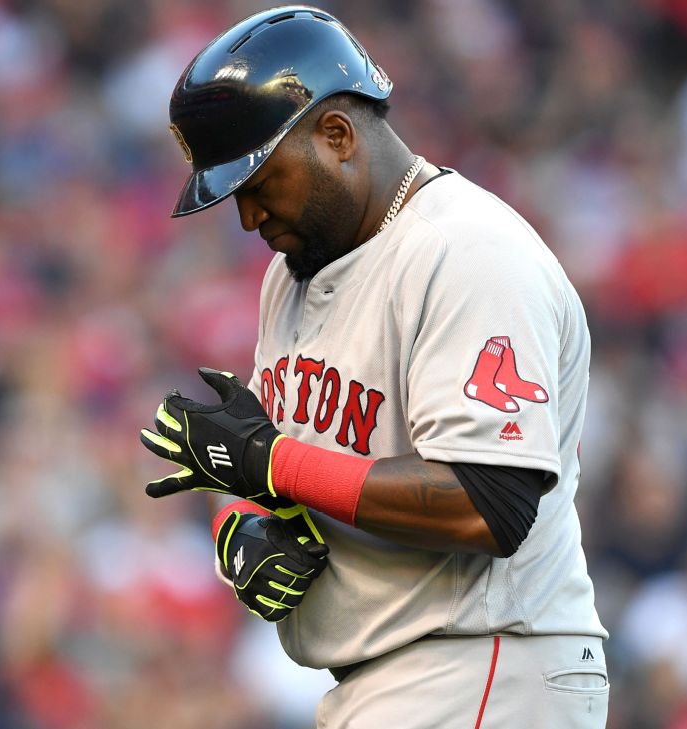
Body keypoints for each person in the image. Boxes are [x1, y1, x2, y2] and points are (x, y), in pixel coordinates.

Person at [138, 7, 610, 728]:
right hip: (390, 678)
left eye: (260, 181)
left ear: (336, 135)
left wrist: (275, 469)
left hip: (483, 661)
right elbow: (291, 465)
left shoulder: (466, 250)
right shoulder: (293, 273)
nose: (247, 217)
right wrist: (247, 522)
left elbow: (489, 500)